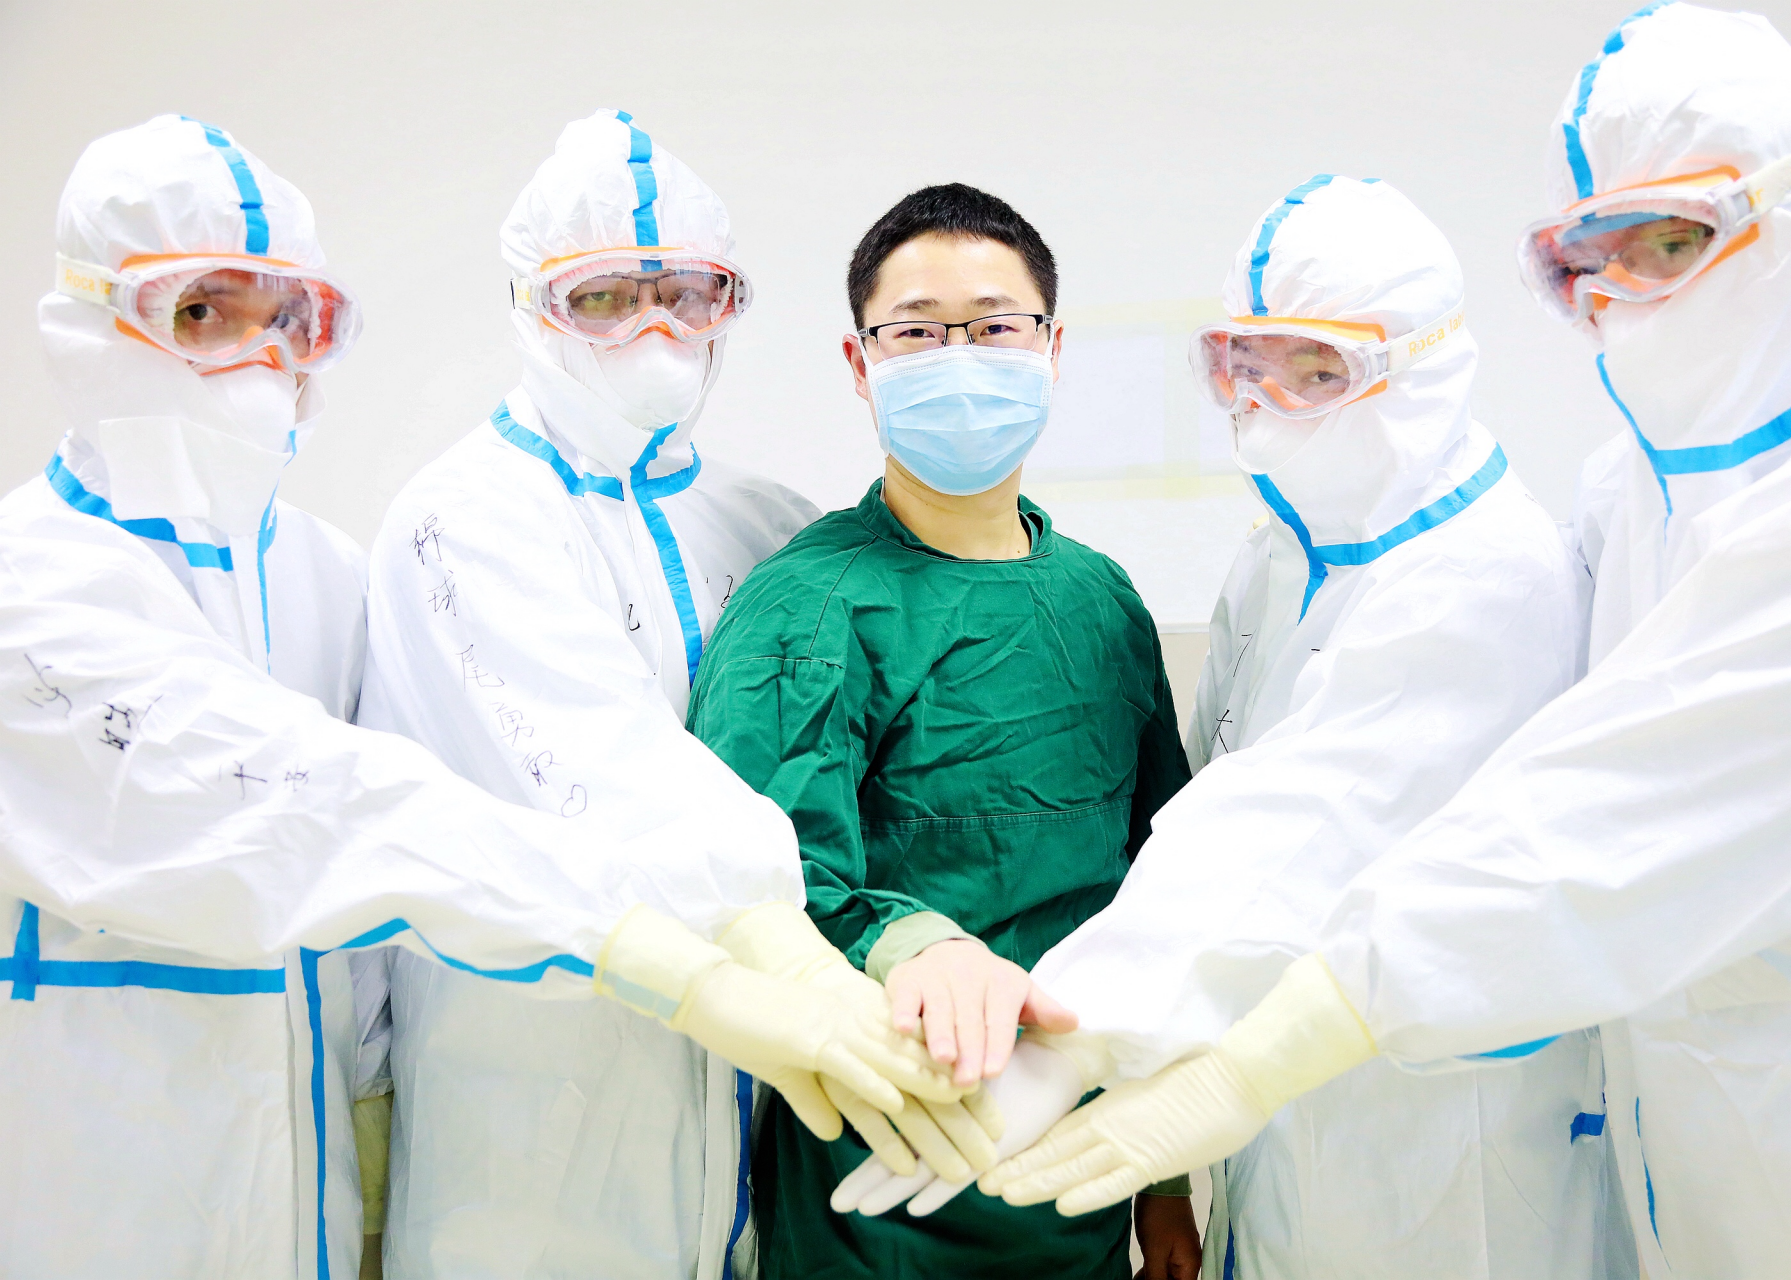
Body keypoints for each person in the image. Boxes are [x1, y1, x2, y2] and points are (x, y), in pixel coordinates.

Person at [989, 7, 1791, 1280]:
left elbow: (1590, 818)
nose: (1615, 300)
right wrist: (1092, 1019)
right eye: (1585, 262)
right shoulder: (1627, 491)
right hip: (1674, 1127)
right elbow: (1242, 805)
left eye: (1667, 243)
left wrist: (1153, 1027)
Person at [0, 115, 952, 1280]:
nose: (257, 354)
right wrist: (711, 954)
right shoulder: (31, 582)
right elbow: (335, 813)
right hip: (113, 1178)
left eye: (288, 317)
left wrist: (367, 1130)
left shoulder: (315, 572)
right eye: (201, 312)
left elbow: (358, 945)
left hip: (345, 1185)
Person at [974, 174, 1625, 1279]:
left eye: (1318, 370)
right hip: (1284, 1100)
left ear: (1419, 369)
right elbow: (1204, 794)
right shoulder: (1290, 551)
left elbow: (1292, 827)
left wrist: (1068, 1031)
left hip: (1443, 1131)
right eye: (1247, 363)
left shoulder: (1485, 571)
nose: (1269, 402)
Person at [357, 109, 840, 1279]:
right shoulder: (462, 516)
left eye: (688, 294)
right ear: (533, 305)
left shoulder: (773, 524)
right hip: (534, 1119)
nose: (655, 330)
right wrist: (796, 958)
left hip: (749, 1108)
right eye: (608, 298)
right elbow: (609, 774)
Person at [687, 183, 1191, 1279]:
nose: (960, 358)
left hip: (1084, 1174)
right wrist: (917, 944)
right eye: (916, 332)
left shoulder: (1103, 600)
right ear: (861, 362)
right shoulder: (808, 608)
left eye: (996, 326)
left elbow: (1165, 889)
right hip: (879, 1174)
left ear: (1052, 348)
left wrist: (1165, 1176)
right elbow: (756, 888)